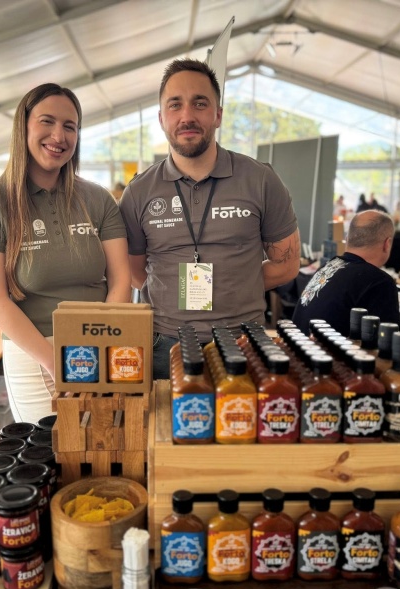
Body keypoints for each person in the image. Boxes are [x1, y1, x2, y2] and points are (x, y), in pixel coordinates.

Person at [119, 59, 300, 380]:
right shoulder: (139, 191)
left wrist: (236, 284)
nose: (187, 116)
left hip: (244, 341)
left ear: (218, 115)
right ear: (161, 118)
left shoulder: (260, 180)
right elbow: (134, 272)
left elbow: (286, 264)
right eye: (175, 105)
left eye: (200, 103)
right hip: (165, 345)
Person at [0, 83, 131, 423]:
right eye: (47, 121)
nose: (59, 135)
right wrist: (58, 363)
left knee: (107, 446)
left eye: (70, 126)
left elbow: (121, 280)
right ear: (23, 126)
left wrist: (103, 345)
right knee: (52, 450)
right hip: (35, 353)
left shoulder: (98, 199)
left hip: (101, 345)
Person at [292, 210, 400, 337]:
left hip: (294, 346)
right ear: (387, 244)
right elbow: (388, 341)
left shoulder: (328, 266)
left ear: (347, 239)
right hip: (323, 350)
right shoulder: (379, 282)